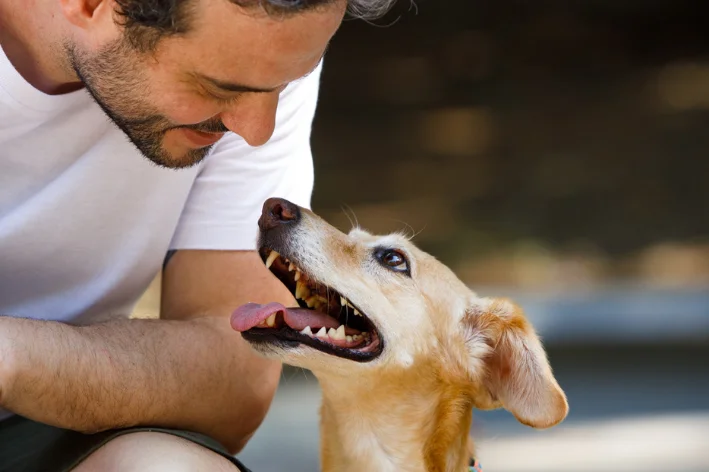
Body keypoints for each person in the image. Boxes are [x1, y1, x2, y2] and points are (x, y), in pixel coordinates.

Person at [0, 0, 395, 470]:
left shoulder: (261, 48)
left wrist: (11, 359)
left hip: (51, 417)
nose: (256, 133)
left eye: (284, 85)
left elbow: (233, 378)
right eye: (218, 88)